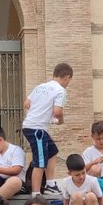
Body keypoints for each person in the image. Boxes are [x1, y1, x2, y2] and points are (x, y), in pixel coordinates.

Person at [22, 61, 72, 196]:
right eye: (69, 81)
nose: (68, 84)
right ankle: (36, 193)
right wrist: (60, 121)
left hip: (30, 126)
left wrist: (39, 110)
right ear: (67, 77)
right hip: (37, 129)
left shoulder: (40, 87)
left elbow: (27, 104)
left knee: (52, 151)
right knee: (40, 162)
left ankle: (50, 184)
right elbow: (57, 112)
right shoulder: (60, 90)